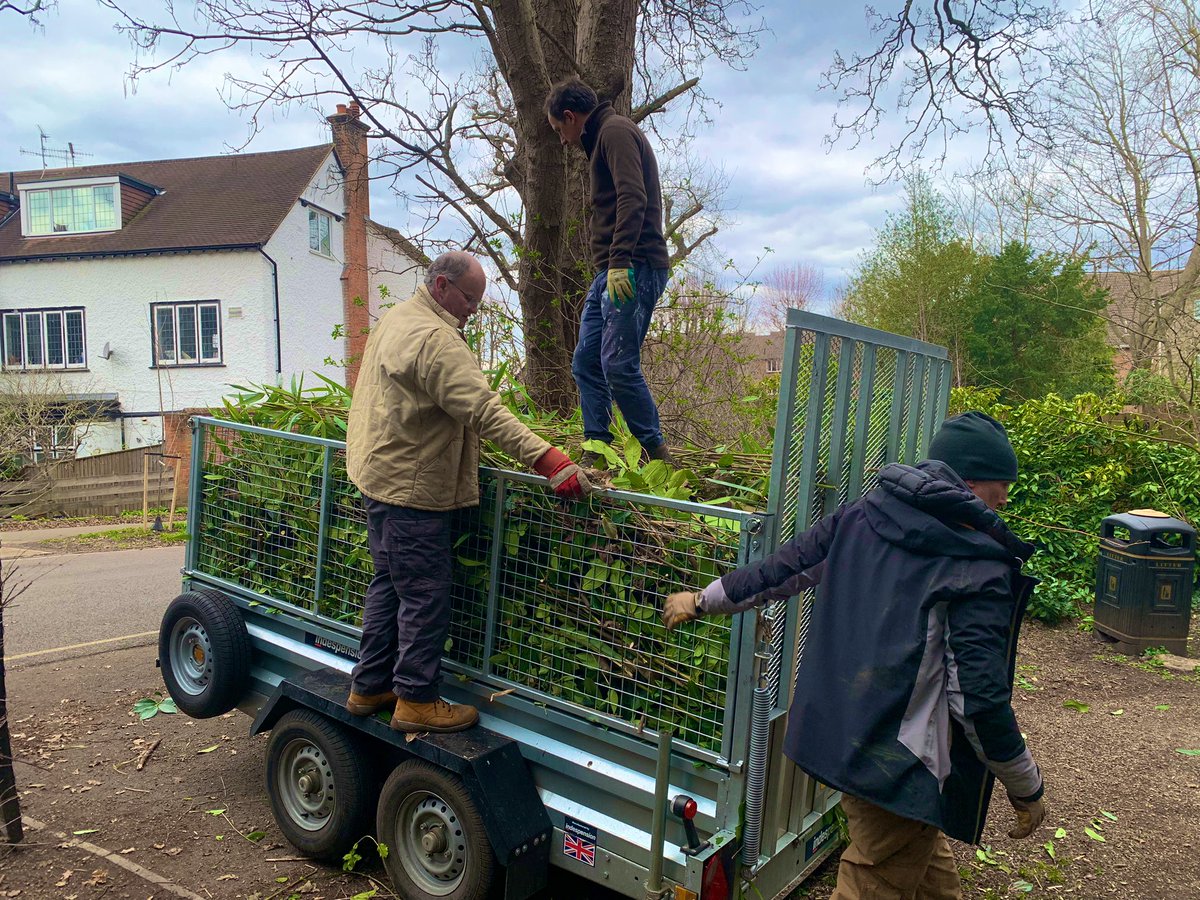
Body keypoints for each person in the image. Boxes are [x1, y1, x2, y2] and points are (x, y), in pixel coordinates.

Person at [663, 411, 1046, 899]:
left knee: (924, 863)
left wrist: (702, 600)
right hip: (897, 759)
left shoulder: (865, 514)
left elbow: (784, 567)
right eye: (1000, 487)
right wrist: (1025, 785)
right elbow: (978, 699)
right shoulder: (976, 567)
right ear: (970, 482)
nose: (1004, 500)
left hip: (843, 731)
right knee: (876, 873)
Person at [344, 251, 595, 733]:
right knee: (425, 594)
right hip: (409, 490)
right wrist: (549, 460)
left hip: (379, 477)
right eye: (468, 298)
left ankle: (370, 685)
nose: (473, 309)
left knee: (390, 586)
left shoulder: (399, 316)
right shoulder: (435, 339)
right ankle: (415, 699)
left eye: (478, 300)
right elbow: (484, 409)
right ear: (441, 285)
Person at [544, 79, 674, 466]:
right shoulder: (603, 137)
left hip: (633, 266)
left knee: (618, 364)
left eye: (559, 130)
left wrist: (619, 262)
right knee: (586, 361)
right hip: (610, 271)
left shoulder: (615, 131)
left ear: (570, 117)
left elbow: (633, 196)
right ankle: (597, 448)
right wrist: (610, 266)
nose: (564, 141)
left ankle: (658, 457)